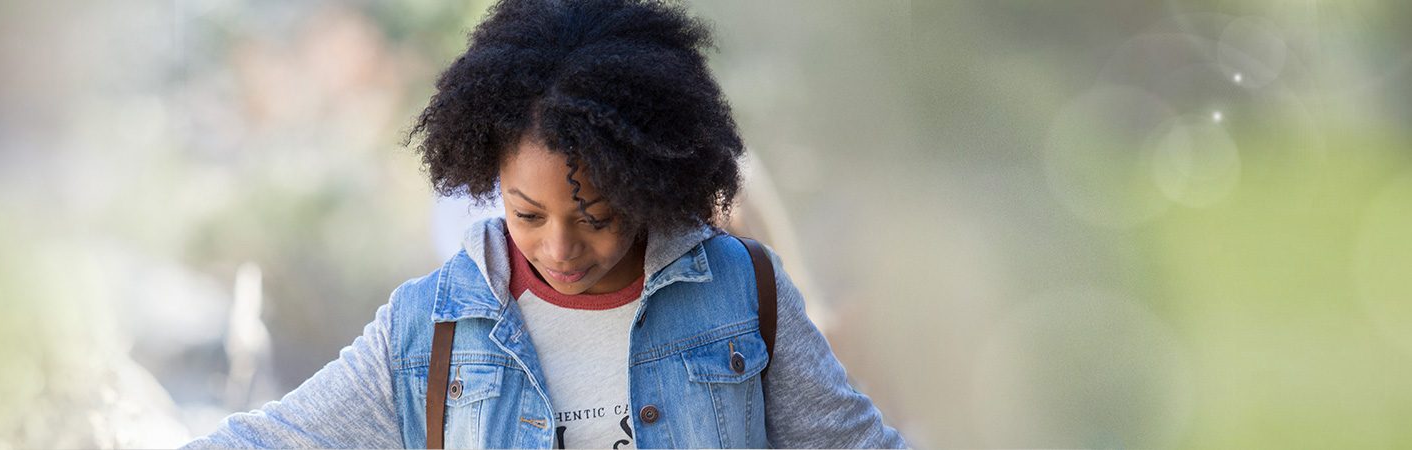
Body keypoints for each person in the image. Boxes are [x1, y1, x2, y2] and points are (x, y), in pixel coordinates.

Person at [184, 0, 908, 447]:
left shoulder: (742, 291)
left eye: (596, 216)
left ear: (648, 184)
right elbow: (271, 441)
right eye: (527, 213)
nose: (560, 247)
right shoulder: (428, 329)